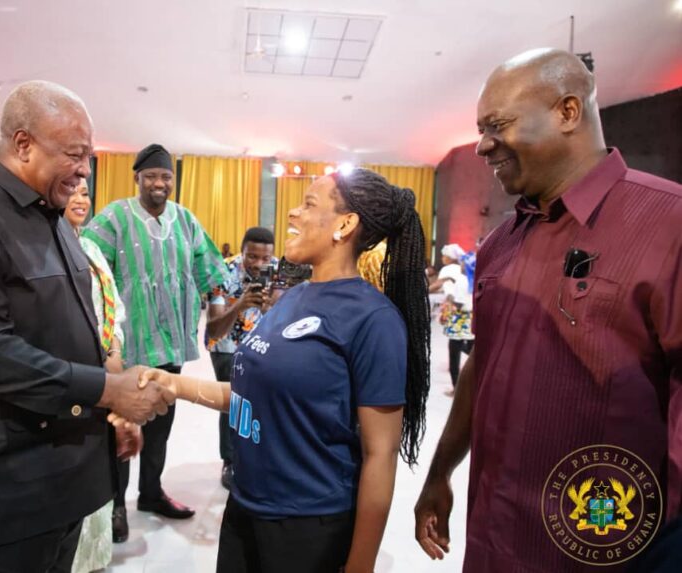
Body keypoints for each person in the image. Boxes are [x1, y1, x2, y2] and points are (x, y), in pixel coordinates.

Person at [414, 49, 682, 572]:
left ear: (566, 112)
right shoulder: (499, 244)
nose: (482, 145)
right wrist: (440, 472)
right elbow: (483, 367)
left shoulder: (669, 224)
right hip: (495, 540)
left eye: (497, 124)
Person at [0, 81, 171, 573]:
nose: (83, 171)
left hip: (60, 481)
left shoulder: (50, 219)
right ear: (23, 144)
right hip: (2, 491)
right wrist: (107, 392)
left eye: (88, 157)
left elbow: (74, 328)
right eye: (74, 154)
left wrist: (110, 414)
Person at [141, 168, 432, 573]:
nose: (293, 214)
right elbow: (252, 396)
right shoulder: (294, 300)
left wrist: (361, 565)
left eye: (309, 204)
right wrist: (173, 383)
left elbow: (380, 454)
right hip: (245, 508)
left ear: (345, 225)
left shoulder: (373, 320)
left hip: (308, 527)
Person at [82, 143, 229, 541]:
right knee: (125, 425)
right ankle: (115, 505)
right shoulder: (114, 218)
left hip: (172, 345)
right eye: (151, 176)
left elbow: (211, 271)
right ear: (138, 179)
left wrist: (218, 307)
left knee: (161, 427)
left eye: (166, 177)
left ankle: (151, 493)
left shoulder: (185, 220)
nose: (159, 183)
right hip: (129, 349)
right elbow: (89, 271)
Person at [62, 179, 143, 573]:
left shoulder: (91, 248)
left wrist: (114, 354)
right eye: (71, 191)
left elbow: (114, 315)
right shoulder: (48, 249)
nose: (80, 198)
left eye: (85, 192)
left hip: (104, 377)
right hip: (75, 384)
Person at [205, 226, 278, 490]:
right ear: (242, 250)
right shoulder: (221, 273)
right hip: (226, 347)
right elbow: (214, 328)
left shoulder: (278, 272)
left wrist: (273, 307)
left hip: (262, 345)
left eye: (265, 258)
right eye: (252, 257)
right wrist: (240, 305)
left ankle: (257, 458)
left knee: (263, 402)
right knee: (233, 402)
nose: (259, 264)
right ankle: (230, 460)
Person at [428, 243, 473, 396]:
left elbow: (457, 301)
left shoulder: (455, 275)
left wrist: (449, 294)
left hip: (458, 320)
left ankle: (456, 388)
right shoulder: (472, 277)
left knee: (454, 352)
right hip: (471, 320)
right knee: (471, 349)